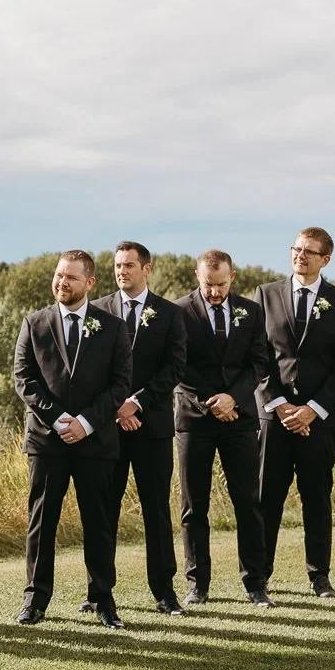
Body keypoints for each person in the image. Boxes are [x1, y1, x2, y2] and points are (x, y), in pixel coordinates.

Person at [13, 250, 133, 628]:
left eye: (70, 278)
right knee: (42, 521)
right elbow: (23, 380)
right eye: (58, 276)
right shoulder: (34, 323)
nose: (62, 283)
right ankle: (35, 599)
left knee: (98, 522)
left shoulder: (112, 327)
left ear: (90, 283)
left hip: (95, 441)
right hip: (47, 441)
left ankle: (102, 598)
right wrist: (59, 418)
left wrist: (85, 422)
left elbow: (120, 384)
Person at [255, 227, 335, 596]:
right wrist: (281, 405)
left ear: (325, 260)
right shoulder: (265, 295)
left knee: (316, 496)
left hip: (321, 419)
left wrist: (312, 410)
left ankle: (319, 576)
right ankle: (258, 576)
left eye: (309, 252)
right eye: (296, 249)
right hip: (274, 416)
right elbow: (258, 357)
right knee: (267, 497)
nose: (300, 255)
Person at [173, 251, 275, 607]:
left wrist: (233, 398)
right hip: (194, 420)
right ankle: (197, 584)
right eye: (207, 285)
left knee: (248, 502)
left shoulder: (252, 310)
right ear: (196, 276)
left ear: (233, 276)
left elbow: (260, 363)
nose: (215, 292)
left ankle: (255, 583)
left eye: (221, 284)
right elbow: (177, 366)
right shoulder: (179, 312)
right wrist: (211, 402)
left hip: (240, 419)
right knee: (193, 504)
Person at [92, 242, 188, 615]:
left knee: (156, 510)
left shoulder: (169, 313)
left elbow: (174, 368)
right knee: (103, 510)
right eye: (117, 265)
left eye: (129, 265)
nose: (122, 271)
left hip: (152, 428)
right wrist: (117, 407)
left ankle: (164, 590)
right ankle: (99, 590)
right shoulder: (97, 310)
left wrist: (138, 402)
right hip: (107, 428)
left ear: (146, 269)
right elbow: (90, 369)